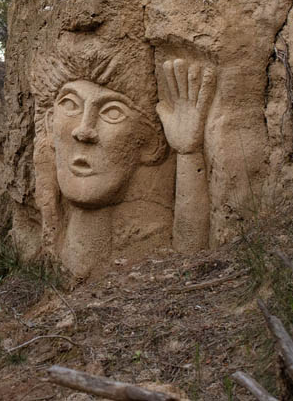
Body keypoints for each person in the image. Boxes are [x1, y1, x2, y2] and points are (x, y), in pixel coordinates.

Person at [31, 45, 215, 277]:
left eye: (112, 112)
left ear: (149, 143)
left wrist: (188, 153)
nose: (84, 130)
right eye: (70, 105)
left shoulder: (151, 238)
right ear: (49, 123)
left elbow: (190, 255)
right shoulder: (49, 231)